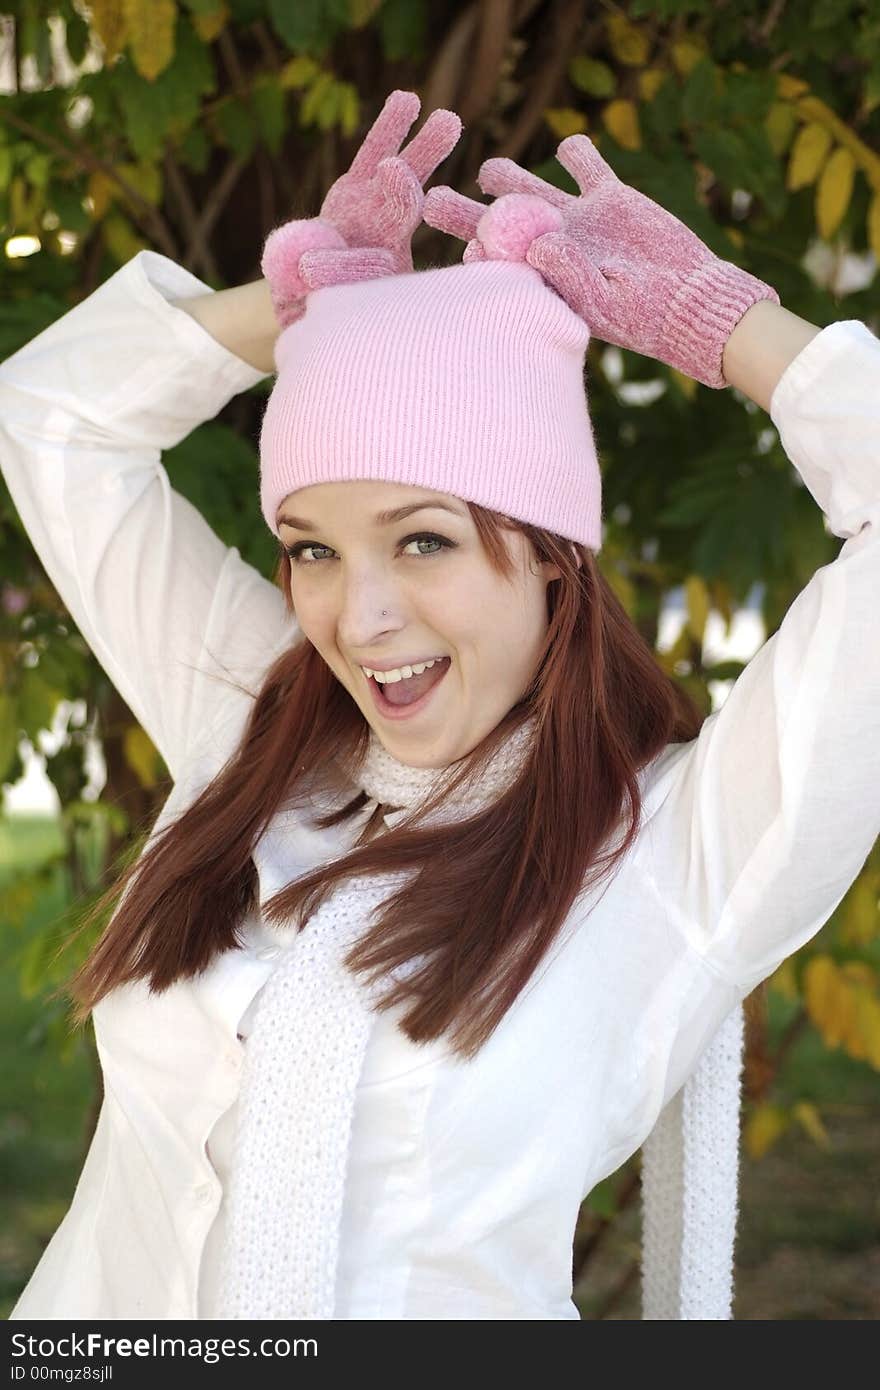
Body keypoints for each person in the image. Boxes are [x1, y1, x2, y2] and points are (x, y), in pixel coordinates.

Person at [1, 88, 877, 1322]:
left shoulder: (682, 850)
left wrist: (725, 329)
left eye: (422, 542)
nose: (357, 622)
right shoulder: (262, 727)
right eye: (311, 548)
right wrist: (300, 308)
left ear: (553, 552)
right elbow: (52, 423)